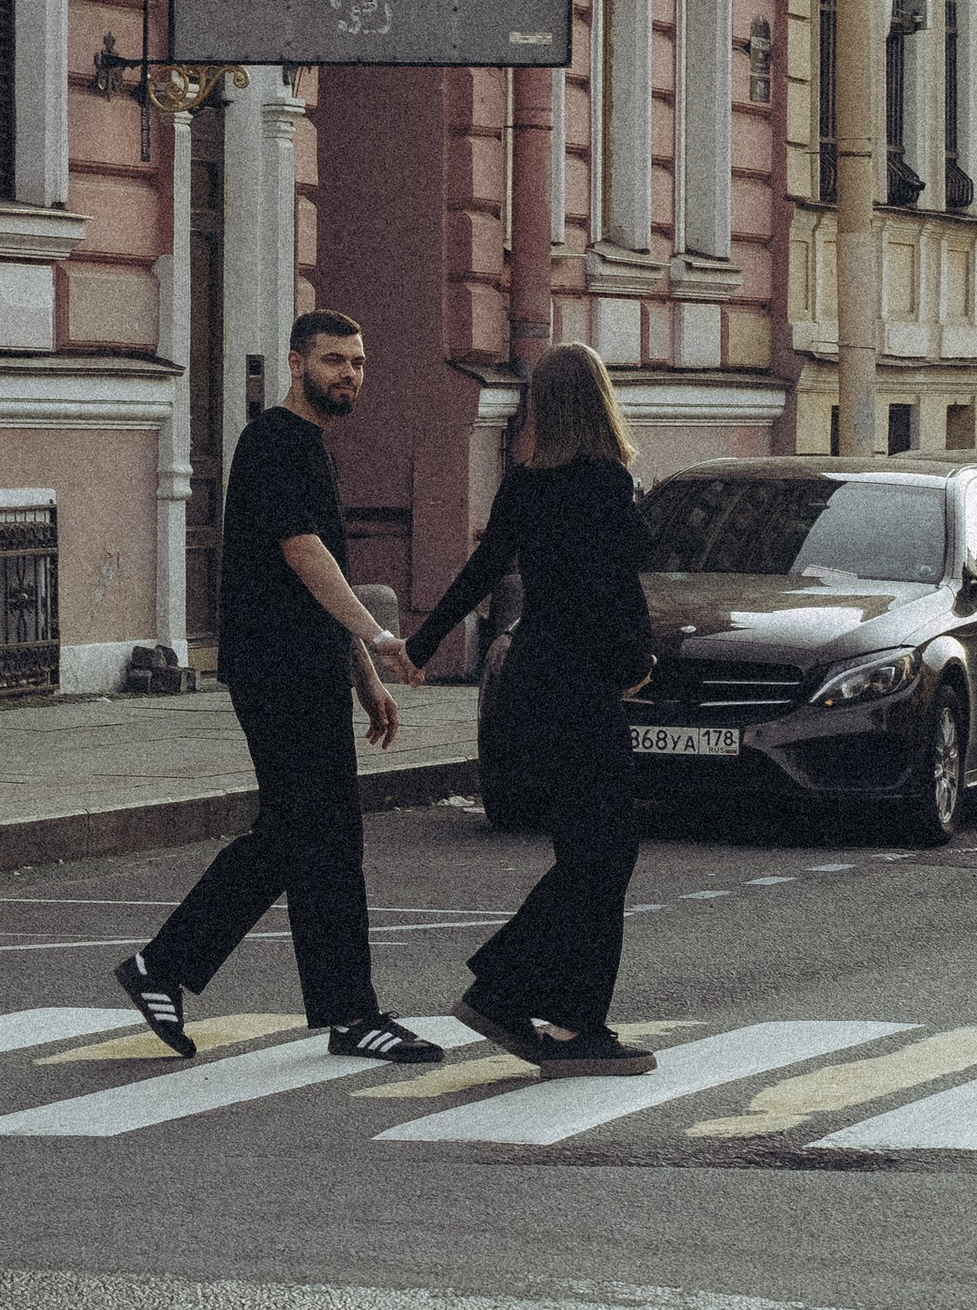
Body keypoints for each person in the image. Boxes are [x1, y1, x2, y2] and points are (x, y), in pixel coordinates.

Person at [117, 310, 445, 1068]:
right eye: (334, 361)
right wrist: (379, 637)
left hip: (306, 668)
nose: (349, 375)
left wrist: (363, 677)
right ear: (297, 364)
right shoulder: (272, 442)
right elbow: (305, 555)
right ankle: (347, 1013)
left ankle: (165, 967)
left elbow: (322, 575)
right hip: (277, 671)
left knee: (297, 835)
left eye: (358, 363)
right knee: (322, 836)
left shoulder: (310, 447)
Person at [405, 344, 658, 1080]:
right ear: (601, 402)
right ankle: (531, 1003)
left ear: (544, 408)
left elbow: (481, 571)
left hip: (533, 680)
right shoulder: (606, 482)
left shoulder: (524, 484)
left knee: (588, 854)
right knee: (606, 852)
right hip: (583, 684)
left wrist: (421, 643)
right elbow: (616, 591)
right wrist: (637, 663)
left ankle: (556, 1010)